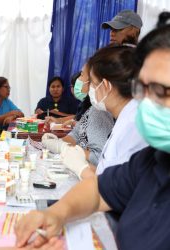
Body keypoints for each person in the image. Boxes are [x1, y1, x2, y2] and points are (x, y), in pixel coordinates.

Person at [14, 16, 170, 250]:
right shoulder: (153, 160)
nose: (144, 102)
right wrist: (57, 213)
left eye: (160, 91)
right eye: (142, 88)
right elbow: (100, 190)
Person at [61, 45, 148, 179]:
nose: (90, 89)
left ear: (106, 86)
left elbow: (118, 187)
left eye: (93, 84)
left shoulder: (131, 127)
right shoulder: (125, 118)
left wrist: (82, 169)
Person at [42, 65, 114, 167]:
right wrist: (56, 141)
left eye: (82, 75)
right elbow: (76, 134)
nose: (78, 80)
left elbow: (98, 158)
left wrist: (64, 148)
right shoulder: (91, 108)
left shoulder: (99, 112)